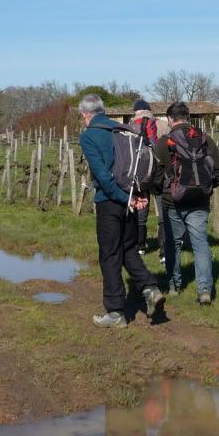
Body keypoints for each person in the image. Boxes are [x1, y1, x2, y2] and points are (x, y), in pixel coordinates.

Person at [77, 94, 162, 328]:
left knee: (109, 254)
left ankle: (115, 312)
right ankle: (150, 288)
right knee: (128, 249)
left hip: (112, 201)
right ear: (102, 110)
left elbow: (103, 177)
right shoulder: (124, 129)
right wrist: (137, 197)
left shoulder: (89, 136)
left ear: (85, 115)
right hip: (132, 197)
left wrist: (125, 199)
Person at [152, 101, 219, 305]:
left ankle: (174, 286)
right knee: (200, 243)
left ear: (169, 120)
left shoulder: (164, 142)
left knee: (173, 243)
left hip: (172, 202)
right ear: (189, 117)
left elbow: (156, 177)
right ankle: (204, 291)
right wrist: (207, 187)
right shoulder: (204, 139)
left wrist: (161, 193)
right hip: (199, 201)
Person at [129, 99, 166, 255]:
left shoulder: (130, 127)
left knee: (141, 209)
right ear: (150, 111)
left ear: (135, 111)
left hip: (140, 174)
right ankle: (164, 251)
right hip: (160, 173)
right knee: (162, 212)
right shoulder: (162, 125)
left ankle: (141, 246)